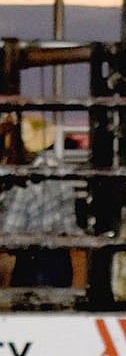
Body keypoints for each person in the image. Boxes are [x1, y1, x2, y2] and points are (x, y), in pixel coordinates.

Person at [0, 114, 86, 290]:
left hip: (30, 261)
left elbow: (9, 236)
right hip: (56, 256)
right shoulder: (57, 168)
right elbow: (70, 229)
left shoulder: (26, 178)